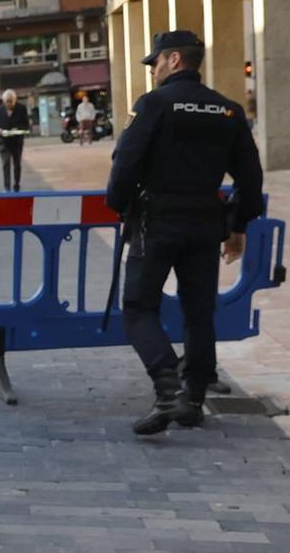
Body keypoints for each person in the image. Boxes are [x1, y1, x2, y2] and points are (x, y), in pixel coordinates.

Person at [107, 29, 264, 435]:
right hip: (204, 223)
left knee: (139, 308)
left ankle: (166, 388)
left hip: (157, 220)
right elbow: (250, 176)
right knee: (199, 311)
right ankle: (193, 400)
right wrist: (237, 226)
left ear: (174, 60)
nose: (154, 69)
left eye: (156, 61)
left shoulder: (155, 104)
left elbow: (125, 162)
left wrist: (119, 204)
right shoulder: (228, 110)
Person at [0, 88, 30, 190]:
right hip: (4, 141)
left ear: (15, 100)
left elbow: (26, 125)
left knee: (17, 163)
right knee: (5, 163)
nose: (9, 104)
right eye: (7, 101)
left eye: (11, 101)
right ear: (4, 101)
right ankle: (7, 186)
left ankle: (16, 185)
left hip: (16, 141)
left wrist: (18, 129)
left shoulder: (21, 108)